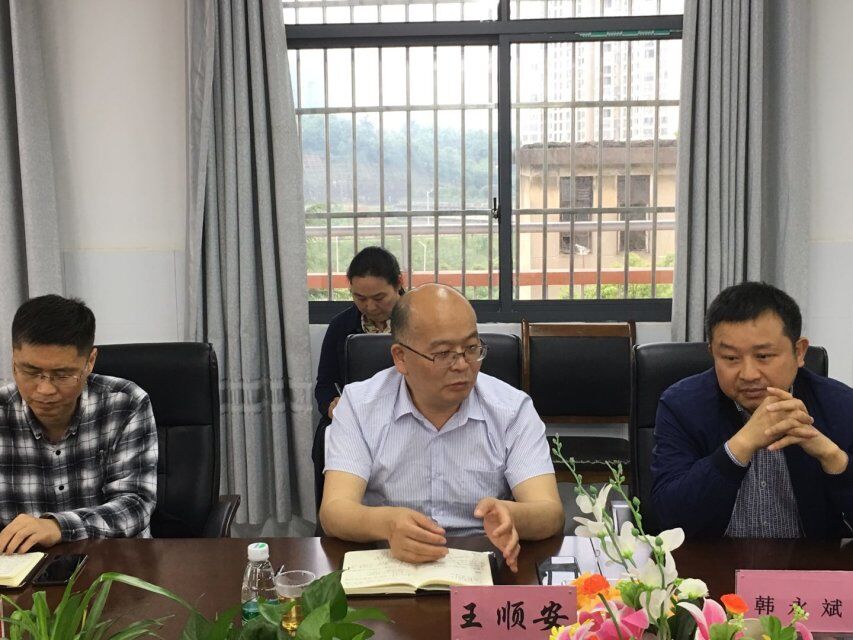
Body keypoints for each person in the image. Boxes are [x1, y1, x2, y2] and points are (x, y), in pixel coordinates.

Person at [320, 284, 564, 571]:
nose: (462, 365)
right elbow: (334, 511)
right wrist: (386, 523)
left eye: (471, 348)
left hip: (480, 566)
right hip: (389, 562)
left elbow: (550, 513)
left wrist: (513, 515)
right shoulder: (359, 406)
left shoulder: (512, 409)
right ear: (401, 357)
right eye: (443, 353)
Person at [651, 282, 853, 538]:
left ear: (799, 352)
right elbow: (670, 518)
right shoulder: (681, 405)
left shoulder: (840, 405)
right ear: (713, 353)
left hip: (809, 561)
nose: (748, 374)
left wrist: (833, 458)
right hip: (712, 561)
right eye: (731, 358)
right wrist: (740, 446)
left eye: (764, 356)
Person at [0, 295, 158, 553]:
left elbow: (136, 506)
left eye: (62, 375)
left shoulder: (126, 403)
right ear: (13, 359)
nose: (45, 389)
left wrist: (58, 527)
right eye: (30, 371)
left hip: (114, 561)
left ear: (90, 361)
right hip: (23, 567)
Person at [314, 246, 405, 421]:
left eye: (379, 298)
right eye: (360, 298)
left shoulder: (421, 321)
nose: (370, 307)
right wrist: (331, 405)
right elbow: (325, 385)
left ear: (398, 283)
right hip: (356, 417)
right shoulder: (341, 326)